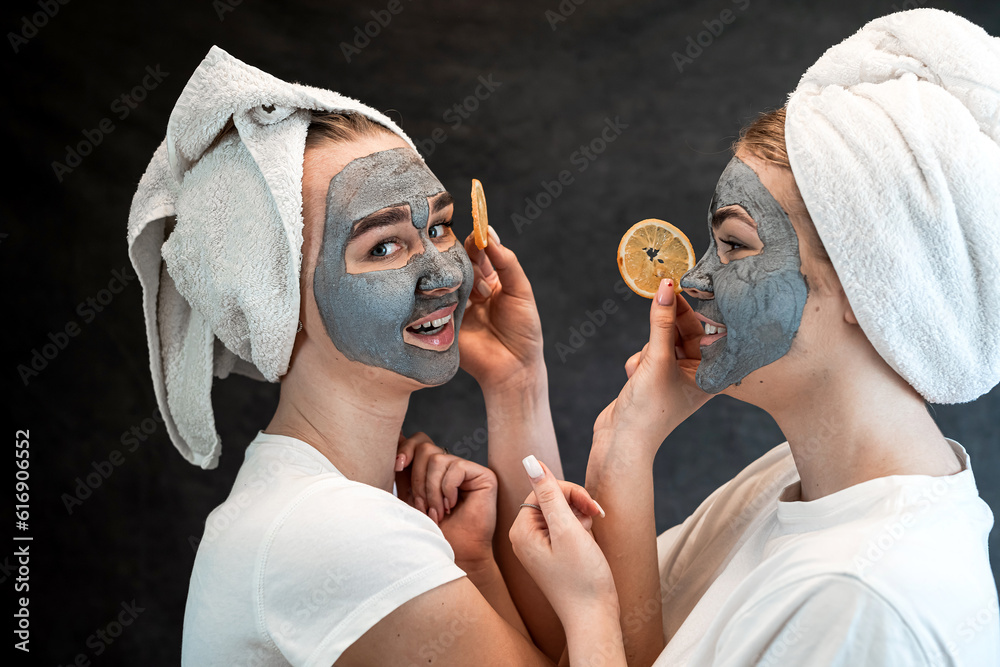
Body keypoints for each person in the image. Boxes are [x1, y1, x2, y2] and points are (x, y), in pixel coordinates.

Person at [509, 8, 1000, 667]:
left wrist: (588, 606)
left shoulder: (862, 599)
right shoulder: (795, 479)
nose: (696, 279)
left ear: (867, 285)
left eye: (735, 245)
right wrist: (624, 449)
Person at [128, 47, 600, 666]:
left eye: (437, 227)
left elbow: (551, 656)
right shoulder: (329, 530)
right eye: (382, 248)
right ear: (271, 301)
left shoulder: (327, 505)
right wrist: (591, 596)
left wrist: (513, 383)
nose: (443, 274)